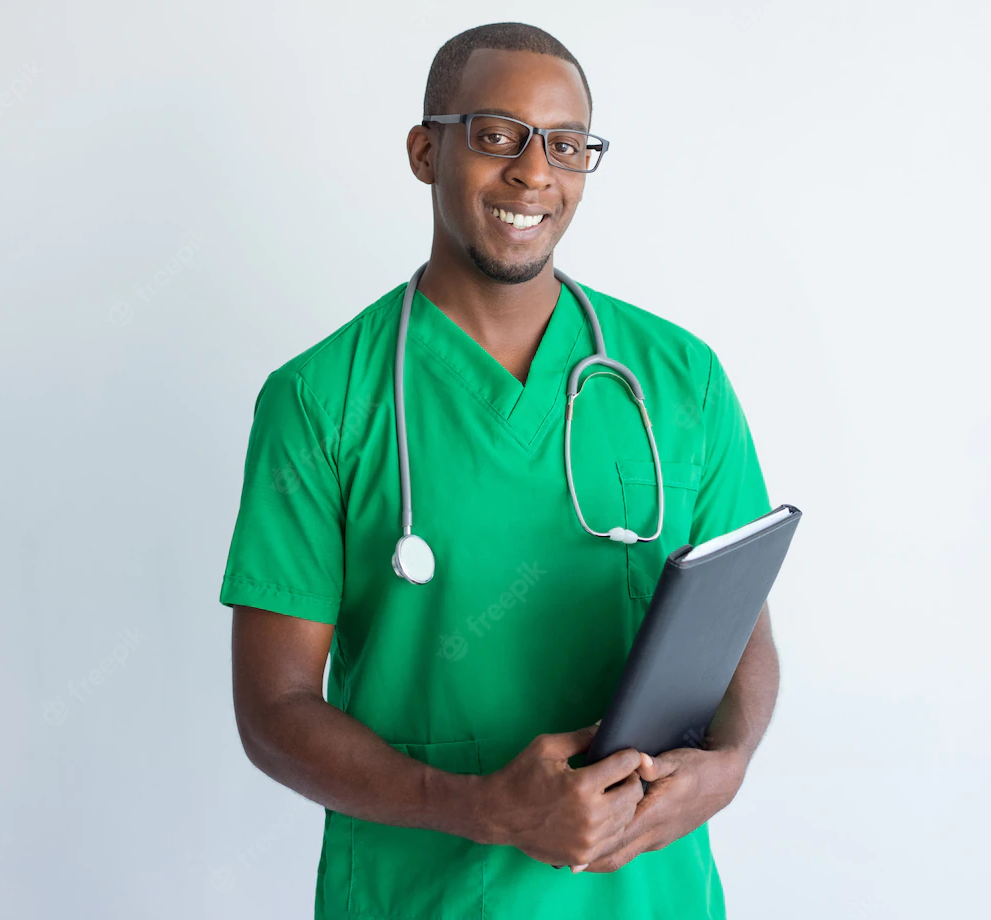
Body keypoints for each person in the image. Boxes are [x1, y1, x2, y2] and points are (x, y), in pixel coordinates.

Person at [219, 21, 779, 919]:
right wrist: (485, 810)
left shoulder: (680, 380)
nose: (533, 172)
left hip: (651, 895)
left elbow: (738, 616)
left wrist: (732, 761)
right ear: (423, 149)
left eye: (566, 145)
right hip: (423, 897)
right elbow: (276, 713)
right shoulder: (321, 401)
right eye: (495, 136)